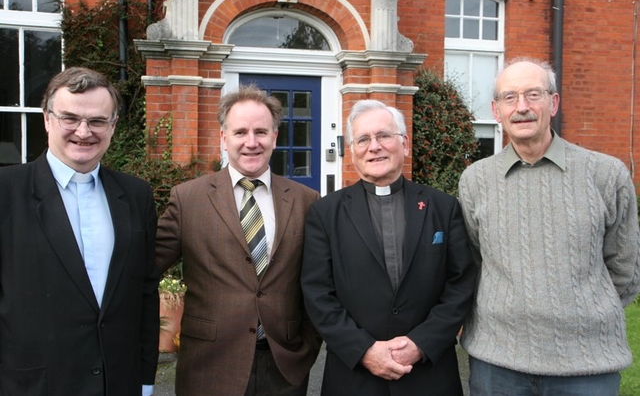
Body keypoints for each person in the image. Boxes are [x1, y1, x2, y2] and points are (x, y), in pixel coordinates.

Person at [458, 57, 640, 395]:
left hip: (587, 367)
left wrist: (581, 310)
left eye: (533, 95)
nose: (522, 107)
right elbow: (472, 261)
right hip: (497, 365)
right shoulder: (476, 180)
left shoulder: (606, 174)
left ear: (553, 103)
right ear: (496, 111)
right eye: (509, 98)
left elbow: (625, 269)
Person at [0, 67, 160, 395]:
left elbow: (145, 293)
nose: (84, 132)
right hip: (31, 385)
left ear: (113, 126)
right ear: (47, 120)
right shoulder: (6, 192)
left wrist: (145, 380)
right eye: (69, 118)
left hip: (118, 383)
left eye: (98, 121)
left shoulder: (136, 195)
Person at [301, 99, 477, 396]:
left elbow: (461, 284)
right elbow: (317, 293)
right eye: (363, 139)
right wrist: (365, 350)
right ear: (352, 151)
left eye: (384, 136)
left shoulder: (442, 208)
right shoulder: (325, 214)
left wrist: (421, 343)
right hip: (354, 377)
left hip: (430, 375)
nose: (375, 146)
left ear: (405, 144)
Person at [155, 85, 322, 396]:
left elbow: (321, 281)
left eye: (261, 131)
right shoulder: (188, 198)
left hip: (284, 368)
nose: (251, 142)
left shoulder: (306, 200)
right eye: (240, 132)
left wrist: (308, 344)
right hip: (209, 366)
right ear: (223, 138)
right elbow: (143, 269)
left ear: (275, 136)